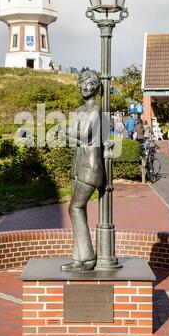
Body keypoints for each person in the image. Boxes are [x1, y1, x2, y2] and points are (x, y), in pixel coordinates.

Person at [61, 69, 103, 272]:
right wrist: (73, 134)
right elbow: (71, 139)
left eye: (89, 84)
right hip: (78, 165)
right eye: (82, 84)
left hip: (90, 166)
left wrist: (69, 131)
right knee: (80, 210)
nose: (85, 87)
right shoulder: (78, 110)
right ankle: (78, 259)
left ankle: (88, 256)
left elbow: (85, 133)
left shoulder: (96, 108)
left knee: (74, 208)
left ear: (96, 87)